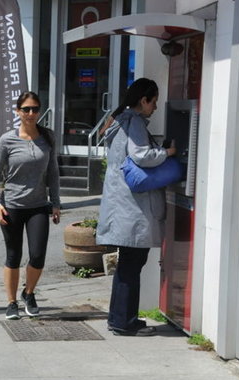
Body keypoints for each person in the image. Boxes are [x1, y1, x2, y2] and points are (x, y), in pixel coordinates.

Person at [96, 78, 176, 336]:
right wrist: (167, 153)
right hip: (132, 207)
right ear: (144, 100)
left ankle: (118, 318)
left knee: (127, 265)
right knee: (132, 264)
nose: (155, 107)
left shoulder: (119, 120)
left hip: (121, 205)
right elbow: (141, 155)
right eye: (154, 101)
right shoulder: (135, 122)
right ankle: (125, 322)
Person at [0, 91, 61, 320]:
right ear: (17, 111)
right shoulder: (7, 140)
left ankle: (28, 293)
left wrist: (56, 203)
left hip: (38, 205)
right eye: (26, 109)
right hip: (12, 206)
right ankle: (11, 302)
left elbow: (53, 173)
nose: (31, 113)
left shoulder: (47, 137)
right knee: (13, 255)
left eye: (35, 109)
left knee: (38, 255)